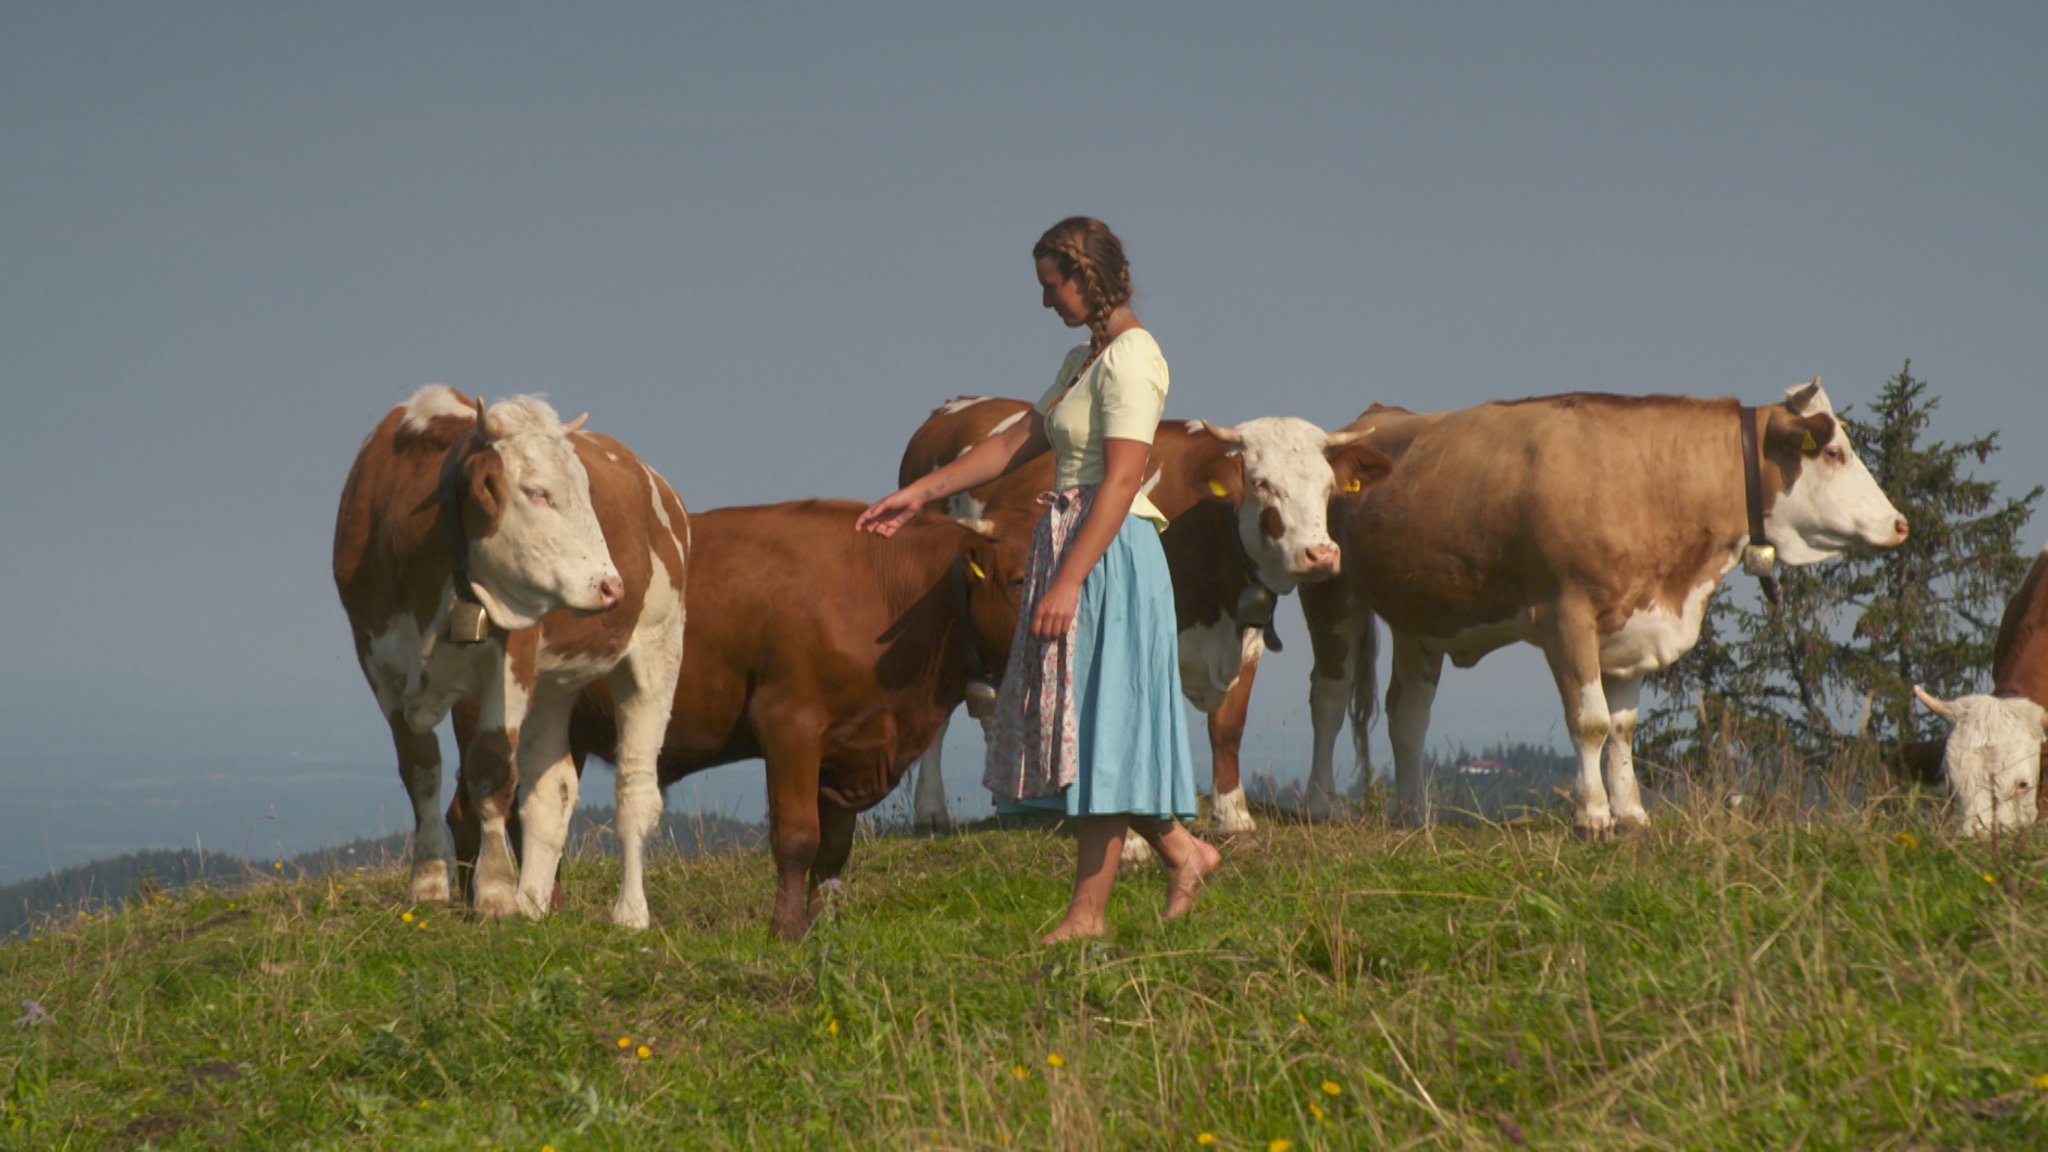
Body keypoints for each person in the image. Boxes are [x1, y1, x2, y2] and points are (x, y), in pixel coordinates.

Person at [857, 216, 1221, 943]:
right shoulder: (1085, 360)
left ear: (1087, 277)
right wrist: (923, 493)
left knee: (1103, 726)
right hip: (1076, 545)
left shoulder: (1135, 360)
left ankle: (1088, 914)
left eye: (1052, 284)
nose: (1047, 299)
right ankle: (1186, 852)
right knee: (1089, 724)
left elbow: (1120, 482)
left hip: (1107, 553)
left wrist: (1067, 584)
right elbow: (1017, 440)